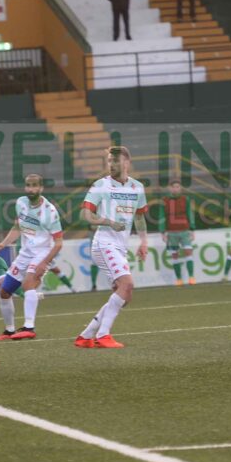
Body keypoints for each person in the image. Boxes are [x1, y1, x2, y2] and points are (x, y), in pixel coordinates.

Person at [75, 146, 149, 349]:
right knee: (127, 285)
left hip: (120, 246)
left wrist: (143, 241)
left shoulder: (137, 187)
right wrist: (108, 222)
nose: (111, 164)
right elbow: (85, 214)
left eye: (115, 160)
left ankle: (86, 335)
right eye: (109, 161)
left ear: (126, 163)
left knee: (125, 295)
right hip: (103, 243)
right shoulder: (101, 185)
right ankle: (103, 335)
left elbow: (139, 217)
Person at [0, 174, 63, 341]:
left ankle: (29, 327)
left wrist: (45, 262)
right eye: (28, 185)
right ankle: (9, 330)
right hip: (25, 253)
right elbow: (18, 227)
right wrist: (4, 243)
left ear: (41, 188)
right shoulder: (21, 203)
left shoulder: (50, 212)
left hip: (42, 252)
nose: (31, 189)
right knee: (4, 292)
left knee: (28, 283)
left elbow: (59, 243)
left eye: (34, 185)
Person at [158, 180, 196, 286]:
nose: (176, 189)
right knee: (174, 255)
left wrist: (192, 229)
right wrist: (162, 232)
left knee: (188, 251)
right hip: (171, 232)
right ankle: (179, 279)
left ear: (180, 188)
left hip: (185, 231)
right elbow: (162, 216)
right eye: (174, 187)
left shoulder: (185, 199)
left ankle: (191, 277)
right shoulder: (164, 201)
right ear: (170, 188)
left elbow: (189, 214)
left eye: (178, 187)